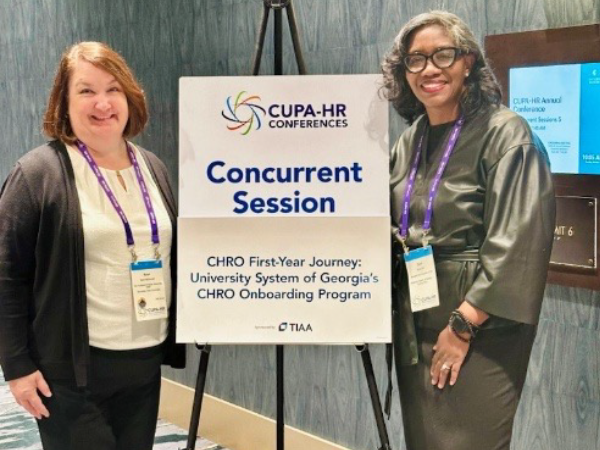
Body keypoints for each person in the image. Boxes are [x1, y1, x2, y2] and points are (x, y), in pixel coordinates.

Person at [382, 11, 555, 450]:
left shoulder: (506, 134)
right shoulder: (413, 137)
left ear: (468, 63)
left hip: (479, 325)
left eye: (443, 54)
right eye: (416, 60)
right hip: (416, 317)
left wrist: (462, 326)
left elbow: (518, 243)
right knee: (425, 442)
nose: (430, 69)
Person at [0, 42, 185, 450]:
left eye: (112, 89)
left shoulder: (151, 166)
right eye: (85, 91)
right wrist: (16, 366)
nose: (102, 103)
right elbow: (7, 276)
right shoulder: (37, 174)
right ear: (63, 103)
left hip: (143, 363)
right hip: (69, 372)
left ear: (130, 97)